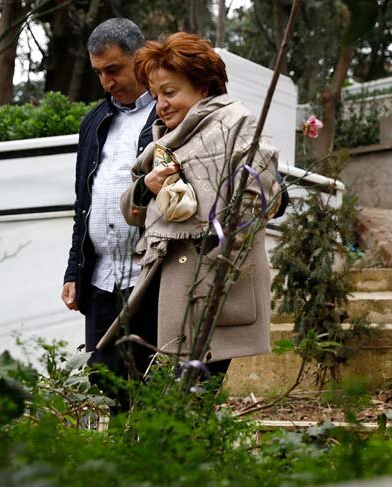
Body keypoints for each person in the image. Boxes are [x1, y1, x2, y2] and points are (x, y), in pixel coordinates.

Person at [96, 32, 278, 379]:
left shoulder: (235, 124)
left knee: (190, 394)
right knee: (117, 374)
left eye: (170, 92)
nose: (161, 104)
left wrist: (218, 249)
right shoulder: (162, 139)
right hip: (163, 276)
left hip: (210, 279)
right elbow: (131, 212)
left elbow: (259, 195)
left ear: (203, 88)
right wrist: (146, 187)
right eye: (155, 95)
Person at [61, 18, 158, 377]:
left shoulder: (167, 111)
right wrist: (74, 269)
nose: (106, 82)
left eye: (114, 70)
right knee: (106, 390)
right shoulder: (94, 120)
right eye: (99, 72)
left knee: (149, 390)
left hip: (149, 279)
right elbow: (82, 204)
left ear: (141, 58)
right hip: (100, 280)